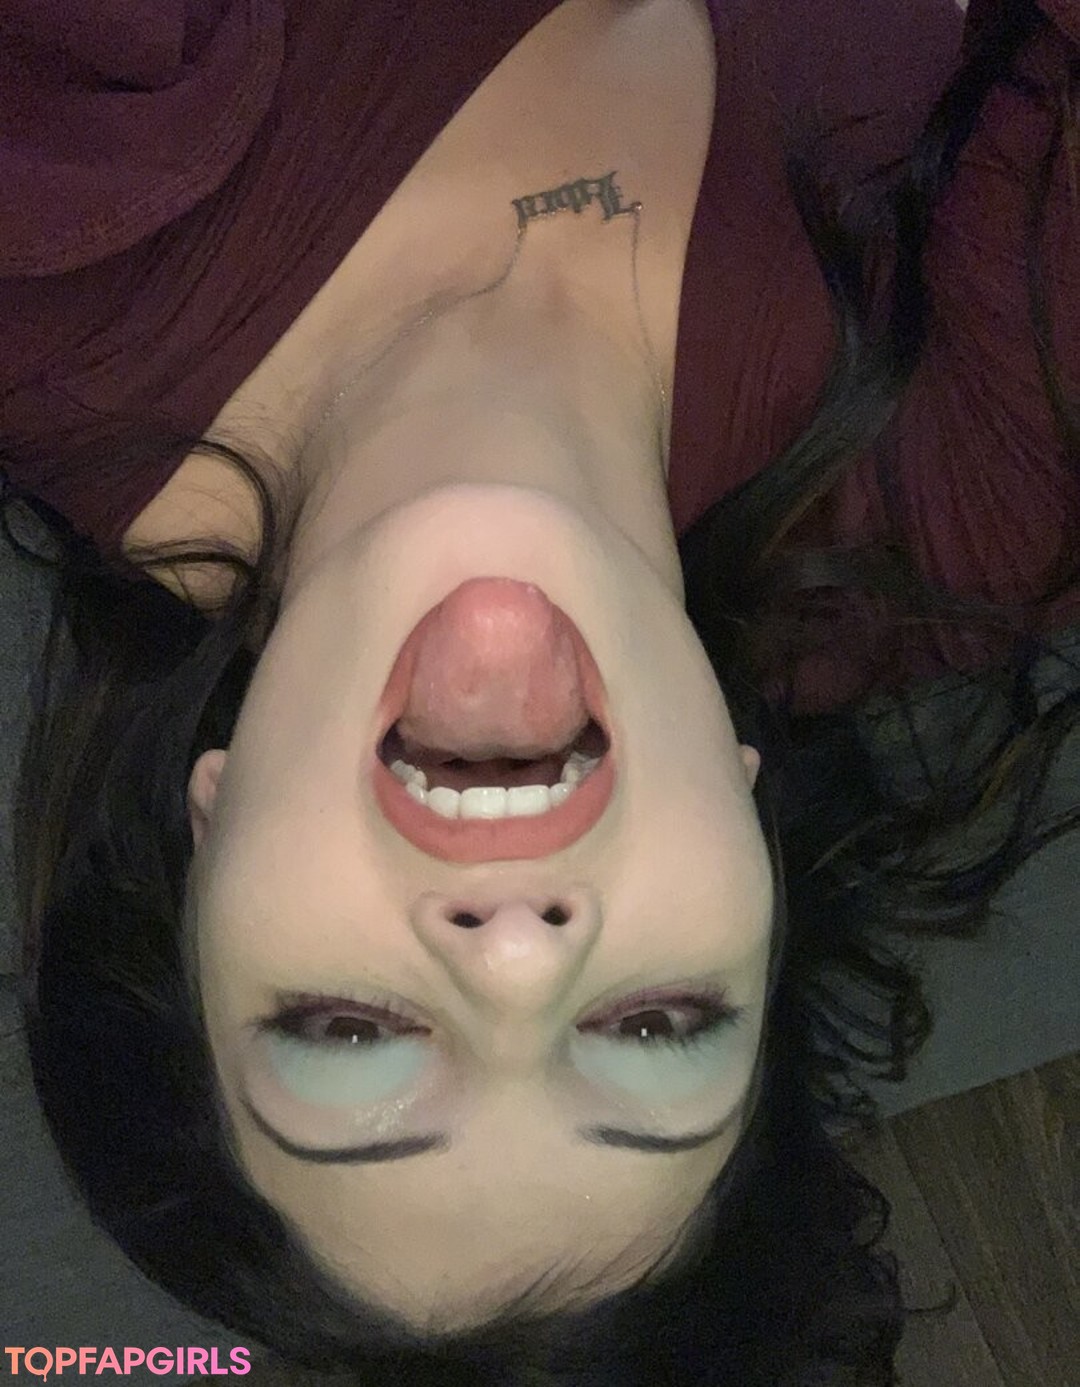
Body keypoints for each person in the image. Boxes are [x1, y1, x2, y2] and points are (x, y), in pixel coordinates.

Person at [2, 0, 1078, 1382]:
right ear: (752, 846)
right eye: (653, 1025)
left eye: (348, 1032)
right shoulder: (969, 517)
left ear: (200, 843)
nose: (517, 954)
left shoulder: (53, 224)